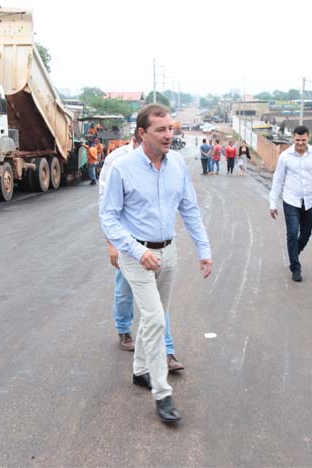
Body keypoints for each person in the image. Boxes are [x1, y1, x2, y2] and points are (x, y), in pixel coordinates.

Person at [100, 103, 213, 423]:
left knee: (156, 317)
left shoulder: (177, 163)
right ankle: (162, 393)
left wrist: (204, 249)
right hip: (137, 256)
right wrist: (135, 251)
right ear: (142, 133)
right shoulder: (123, 168)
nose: (169, 136)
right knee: (156, 319)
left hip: (169, 252)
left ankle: (139, 371)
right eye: (161, 130)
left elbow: (189, 209)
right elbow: (108, 217)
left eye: (171, 129)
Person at [98, 132, 184, 372]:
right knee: (124, 290)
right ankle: (124, 329)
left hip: (155, 244)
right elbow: (105, 205)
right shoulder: (117, 161)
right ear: (141, 137)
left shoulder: (164, 159)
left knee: (156, 305)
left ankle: (166, 352)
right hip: (127, 242)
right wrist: (112, 243)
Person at [269, 126, 312, 282]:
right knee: (292, 232)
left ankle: (294, 253)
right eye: (297, 140)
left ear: (308, 138)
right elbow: (278, 179)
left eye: (303, 140)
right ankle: (295, 266)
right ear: (293, 138)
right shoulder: (285, 156)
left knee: (306, 233)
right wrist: (273, 203)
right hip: (291, 200)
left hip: (309, 201)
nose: (300, 143)